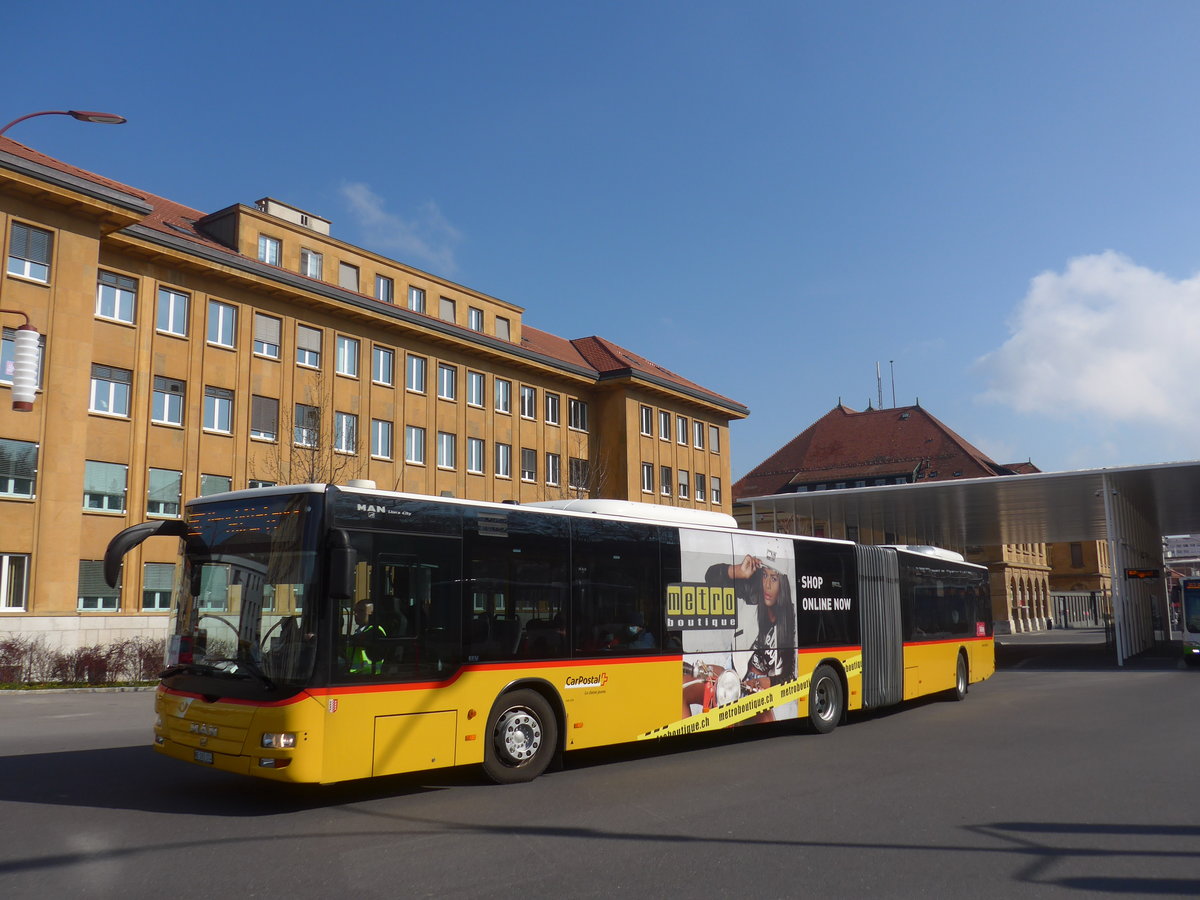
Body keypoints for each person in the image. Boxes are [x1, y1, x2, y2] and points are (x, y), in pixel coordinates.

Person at [347, 599, 388, 675]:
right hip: (356, 675)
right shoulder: (360, 630)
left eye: (361, 611)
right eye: (355, 611)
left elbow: (358, 639)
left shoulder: (376, 630)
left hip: (369, 675)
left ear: (371, 614)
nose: (356, 614)